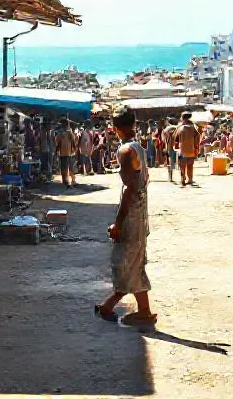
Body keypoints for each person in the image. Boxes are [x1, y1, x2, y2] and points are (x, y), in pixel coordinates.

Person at [95, 108, 155, 328]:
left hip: (133, 212)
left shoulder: (126, 150)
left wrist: (118, 223)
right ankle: (141, 311)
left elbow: (130, 188)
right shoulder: (138, 147)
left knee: (124, 260)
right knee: (135, 260)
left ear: (116, 128)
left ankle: (110, 304)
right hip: (140, 210)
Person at [174, 112, 201, 188]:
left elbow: (175, 139)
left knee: (182, 166)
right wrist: (195, 145)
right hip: (191, 150)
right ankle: (190, 179)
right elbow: (198, 136)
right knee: (190, 166)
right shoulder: (193, 127)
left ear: (182, 118)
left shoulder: (179, 128)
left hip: (182, 150)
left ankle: (183, 179)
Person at [55, 119, 79, 188]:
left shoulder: (69, 133)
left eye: (64, 124)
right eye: (63, 124)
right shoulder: (60, 133)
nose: (63, 126)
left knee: (69, 168)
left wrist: (74, 150)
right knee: (64, 167)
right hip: (63, 153)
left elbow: (73, 142)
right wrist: (57, 151)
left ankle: (71, 181)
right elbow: (58, 143)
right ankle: (65, 181)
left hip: (69, 153)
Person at [160, 118, 179, 183]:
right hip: (178, 146)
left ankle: (170, 177)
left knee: (170, 161)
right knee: (180, 161)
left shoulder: (166, 129)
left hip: (169, 146)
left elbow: (163, 139)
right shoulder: (178, 127)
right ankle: (183, 177)